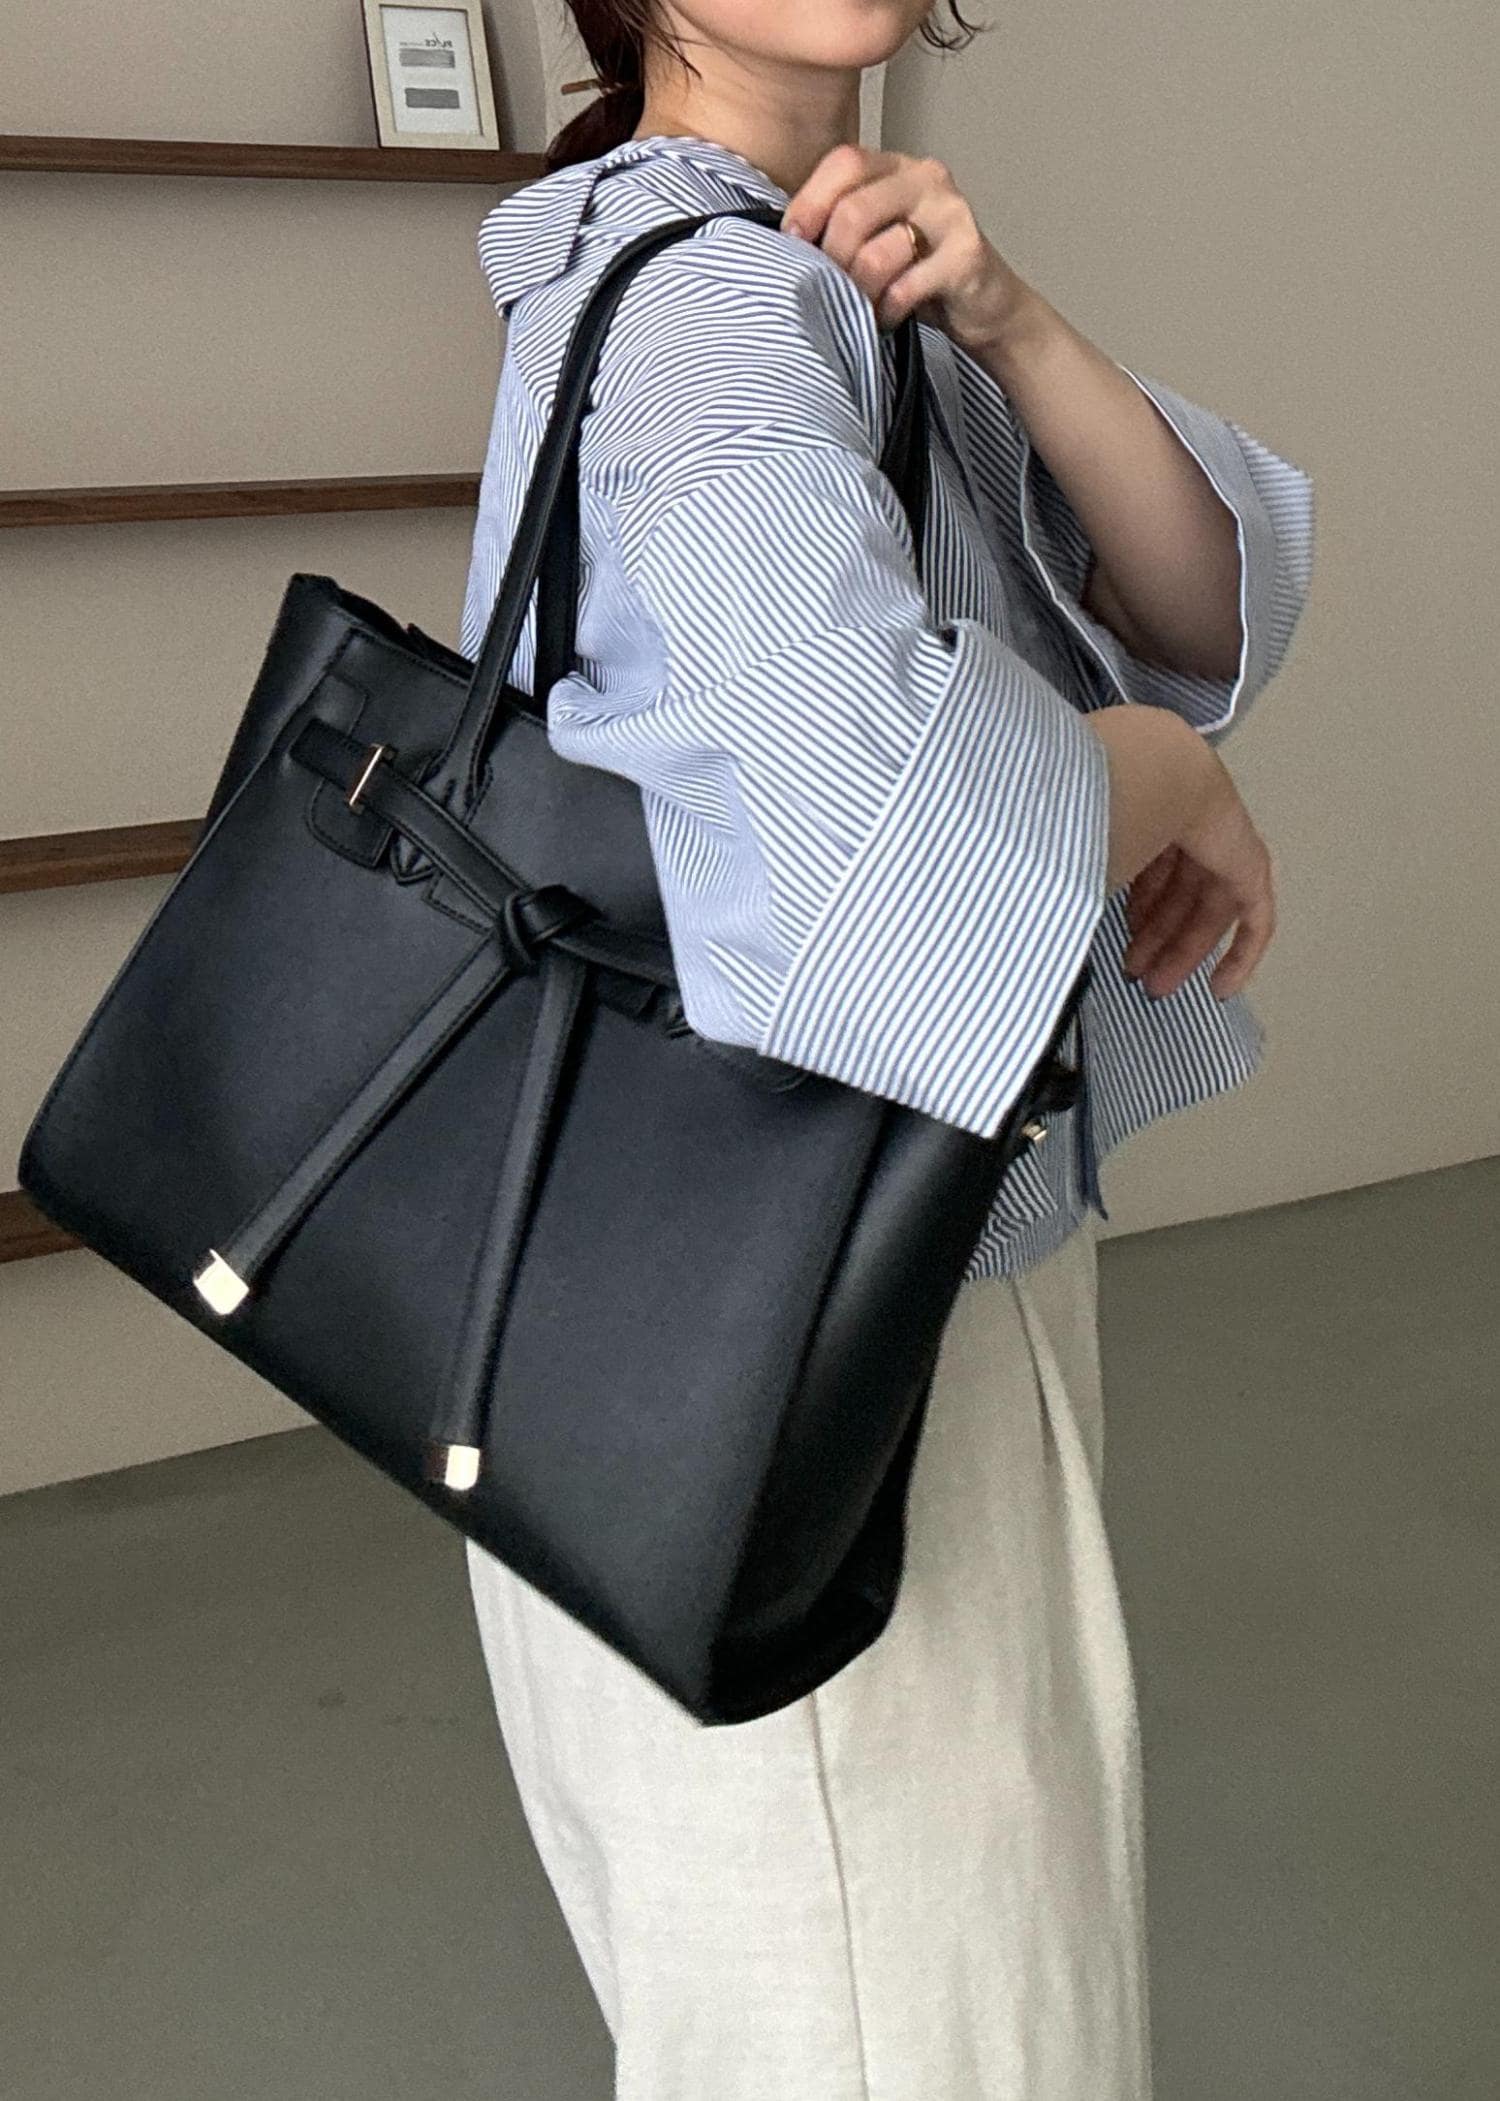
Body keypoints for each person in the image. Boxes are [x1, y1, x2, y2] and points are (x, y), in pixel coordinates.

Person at [459, 4, 1315, 2095]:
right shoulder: (715, 310)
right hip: (809, 1327)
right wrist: (1160, 775)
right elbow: (900, 851)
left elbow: (1207, 604)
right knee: (921, 2031)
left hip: (711, 1289)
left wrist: (1006, 315)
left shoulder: (800, 265)